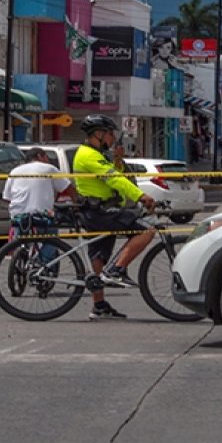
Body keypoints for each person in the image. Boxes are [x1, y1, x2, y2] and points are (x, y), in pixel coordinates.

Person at [72, 115, 157, 320]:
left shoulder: (96, 154)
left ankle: (99, 305)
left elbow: (115, 173)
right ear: (98, 134)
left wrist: (118, 160)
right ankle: (117, 270)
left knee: (99, 256)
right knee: (147, 231)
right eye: (110, 134)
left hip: (98, 211)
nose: (112, 138)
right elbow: (114, 179)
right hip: (99, 212)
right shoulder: (88, 155)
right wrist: (140, 196)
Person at [2, 147, 71, 244]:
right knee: (51, 245)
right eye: (46, 157)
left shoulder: (14, 171)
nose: (48, 160)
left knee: (19, 244)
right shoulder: (49, 168)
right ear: (39, 156)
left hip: (18, 218)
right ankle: (48, 253)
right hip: (42, 218)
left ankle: (20, 251)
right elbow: (68, 188)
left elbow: (7, 198)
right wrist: (78, 203)